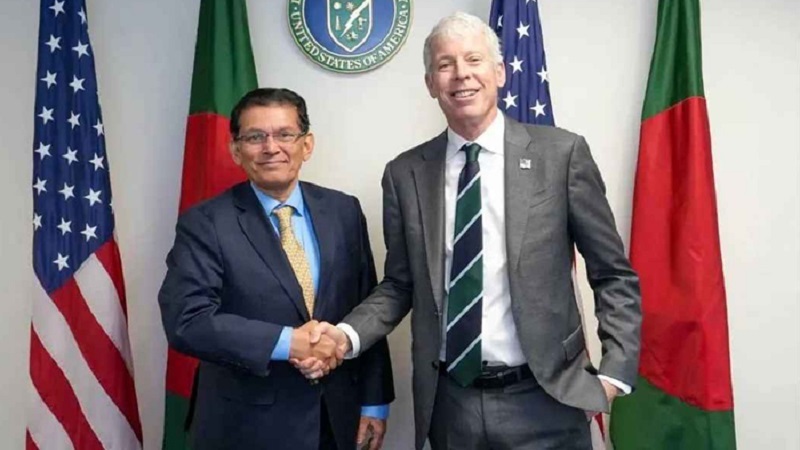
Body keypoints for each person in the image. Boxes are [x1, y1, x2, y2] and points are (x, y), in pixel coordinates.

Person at [305, 12, 641, 450]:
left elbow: (611, 272)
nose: (461, 74)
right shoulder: (405, 173)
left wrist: (615, 372)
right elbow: (400, 285)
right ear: (431, 83)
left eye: (473, 60)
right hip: (451, 406)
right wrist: (344, 336)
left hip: (547, 399)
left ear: (499, 72)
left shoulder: (561, 155)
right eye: (445, 64)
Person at [158, 88, 394, 450]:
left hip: (336, 420)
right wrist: (289, 343)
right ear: (235, 150)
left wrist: (374, 402)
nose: (271, 147)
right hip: (244, 428)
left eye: (285, 134)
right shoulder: (205, 223)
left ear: (306, 144)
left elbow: (367, 306)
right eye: (255, 137)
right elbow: (187, 320)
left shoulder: (344, 210)